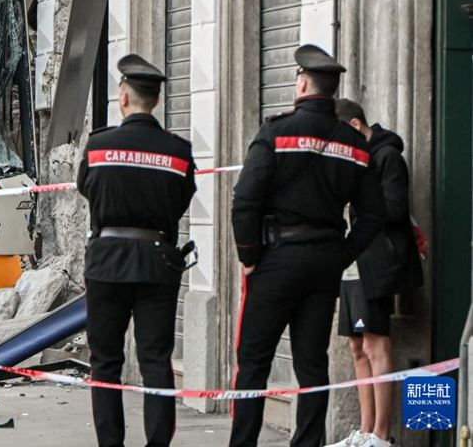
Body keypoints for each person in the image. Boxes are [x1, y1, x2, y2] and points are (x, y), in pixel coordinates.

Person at [228, 44, 385, 447]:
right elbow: (372, 218)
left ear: (301, 84)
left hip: (275, 260)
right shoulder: (356, 146)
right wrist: (341, 255)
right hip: (324, 265)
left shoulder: (275, 132)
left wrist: (249, 256)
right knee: (312, 365)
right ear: (332, 92)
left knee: (254, 363)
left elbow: (245, 200)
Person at [77, 54, 197, 447]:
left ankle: (110, 443)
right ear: (156, 102)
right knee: (155, 362)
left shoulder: (98, 146)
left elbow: (86, 189)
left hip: (107, 262)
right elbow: (182, 199)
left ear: (123, 98)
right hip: (156, 263)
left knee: (105, 362)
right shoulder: (178, 152)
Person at [326, 99, 424, 447]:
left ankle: (381, 434)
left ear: (354, 126)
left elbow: (396, 209)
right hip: (352, 263)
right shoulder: (354, 161)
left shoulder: (386, 157)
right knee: (356, 347)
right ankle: (365, 430)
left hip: (376, 264)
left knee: (375, 344)